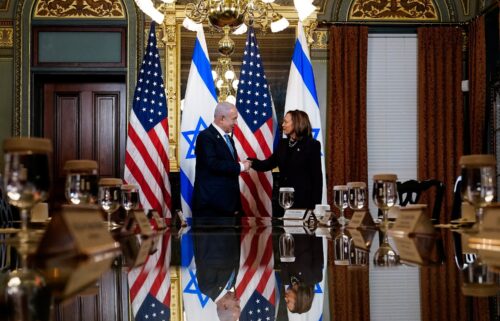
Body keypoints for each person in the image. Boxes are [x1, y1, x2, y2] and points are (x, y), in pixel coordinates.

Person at [249, 110, 322, 214]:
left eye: (286, 122)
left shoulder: (311, 145)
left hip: (302, 202)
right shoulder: (283, 144)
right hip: (282, 200)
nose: (282, 125)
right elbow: (268, 164)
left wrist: (315, 207)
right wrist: (250, 162)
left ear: (297, 123)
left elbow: (317, 178)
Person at [192, 102, 252, 217]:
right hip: (211, 208)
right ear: (222, 119)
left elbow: (227, 167)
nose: (236, 123)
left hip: (228, 206)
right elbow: (212, 164)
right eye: (234, 119)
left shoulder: (228, 138)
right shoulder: (205, 137)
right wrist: (241, 166)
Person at [193, 225, 241, 321]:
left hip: (212, 220)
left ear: (225, 306)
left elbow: (208, 250)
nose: (239, 301)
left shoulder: (207, 287)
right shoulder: (232, 284)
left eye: (237, 306)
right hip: (229, 223)